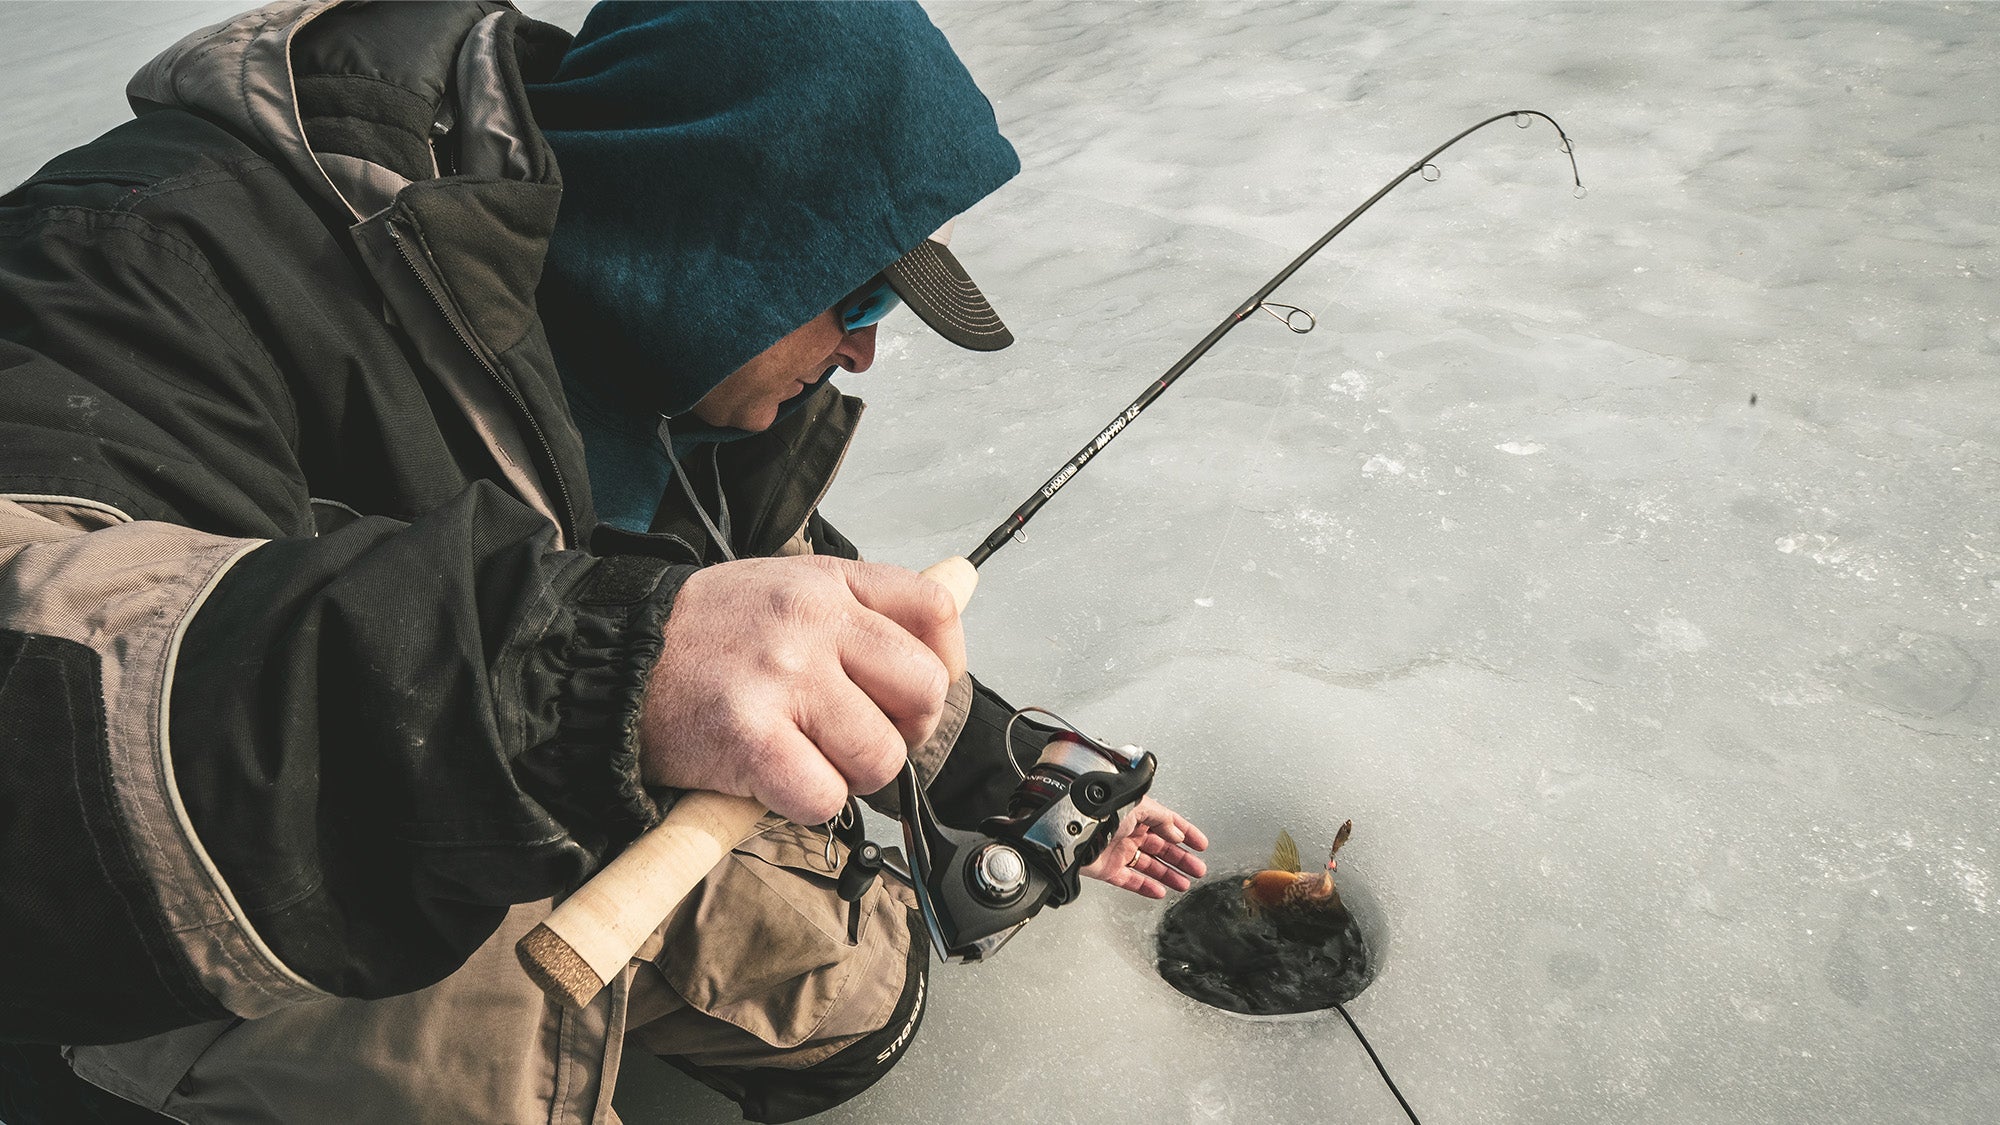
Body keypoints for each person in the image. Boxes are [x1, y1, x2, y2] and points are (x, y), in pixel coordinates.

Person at [0, 3, 1208, 1123]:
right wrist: (579, 671)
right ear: (714, 222)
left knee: (856, 996)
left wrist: (989, 763)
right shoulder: (136, 255)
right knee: (474, 1045)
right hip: (152, 934)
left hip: (474, 783)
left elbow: (738, 569)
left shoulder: (647, 325)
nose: (857, 357)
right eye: (856, 300)